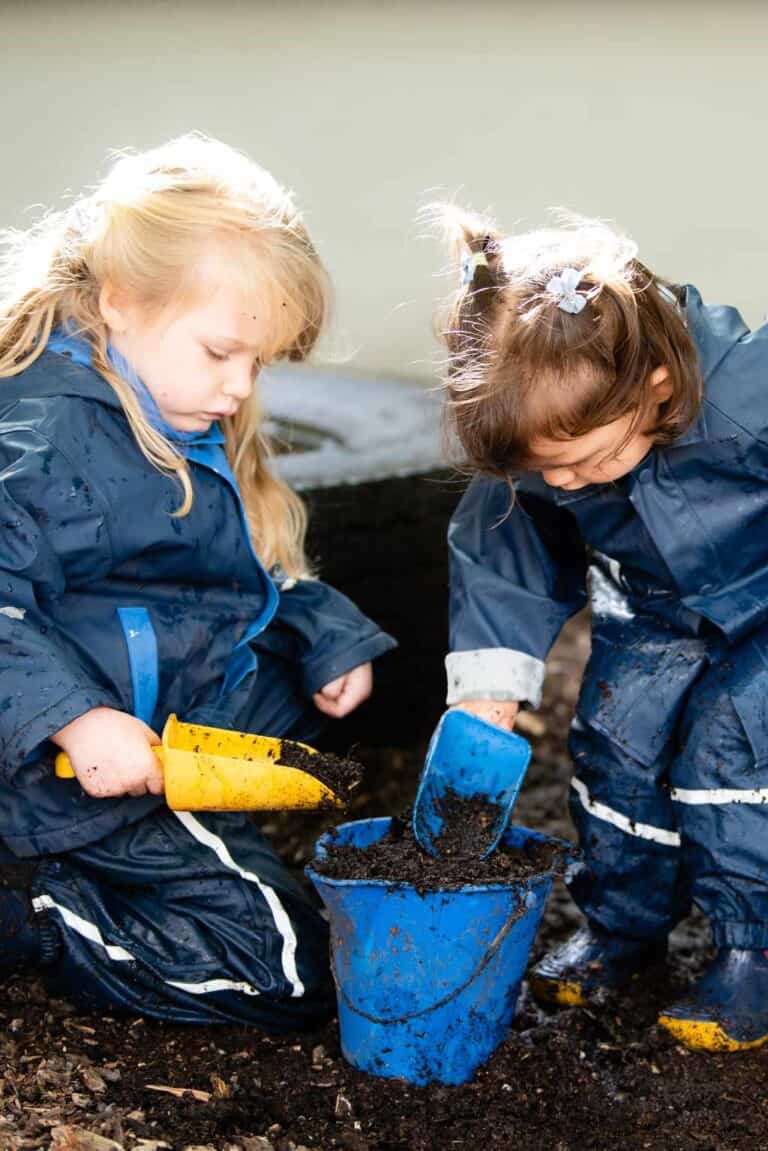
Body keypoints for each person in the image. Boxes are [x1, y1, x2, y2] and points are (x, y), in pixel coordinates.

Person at [0, 134, 395, 1030]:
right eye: (222, 353)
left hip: (154, 699)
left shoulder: (164, 397)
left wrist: (320, 630)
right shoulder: (47, 438)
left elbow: (212, 583)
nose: (241, 384)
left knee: (321, 680)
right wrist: (78, 716)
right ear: (119, 302)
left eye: (261, 361)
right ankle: (34, 912)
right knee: (286, 975)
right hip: (67, 770)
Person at [435, 207, 768, 1052]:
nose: (561, 479)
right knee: (616, 748)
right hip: (651, 604)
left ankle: (749, 949)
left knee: (727, 756)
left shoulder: (748, 401)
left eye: (581, 462)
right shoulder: (550, 437)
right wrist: (488, 691)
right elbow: (502, 547)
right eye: (542, 465)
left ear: (656, 383)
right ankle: (623, 927)